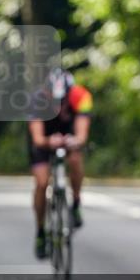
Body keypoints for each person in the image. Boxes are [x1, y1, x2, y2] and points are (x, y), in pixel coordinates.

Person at [28, 68, 92, 259]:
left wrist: (76, 141)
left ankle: (76, 201)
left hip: (67, 132)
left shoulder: (81, 96)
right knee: (41, 183)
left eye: (62, 100)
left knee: (75, 158)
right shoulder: (36, 100)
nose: (58, 104)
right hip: (45, 136)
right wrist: (49, 142)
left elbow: (82, 134)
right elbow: (38, 139)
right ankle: (40, 230)